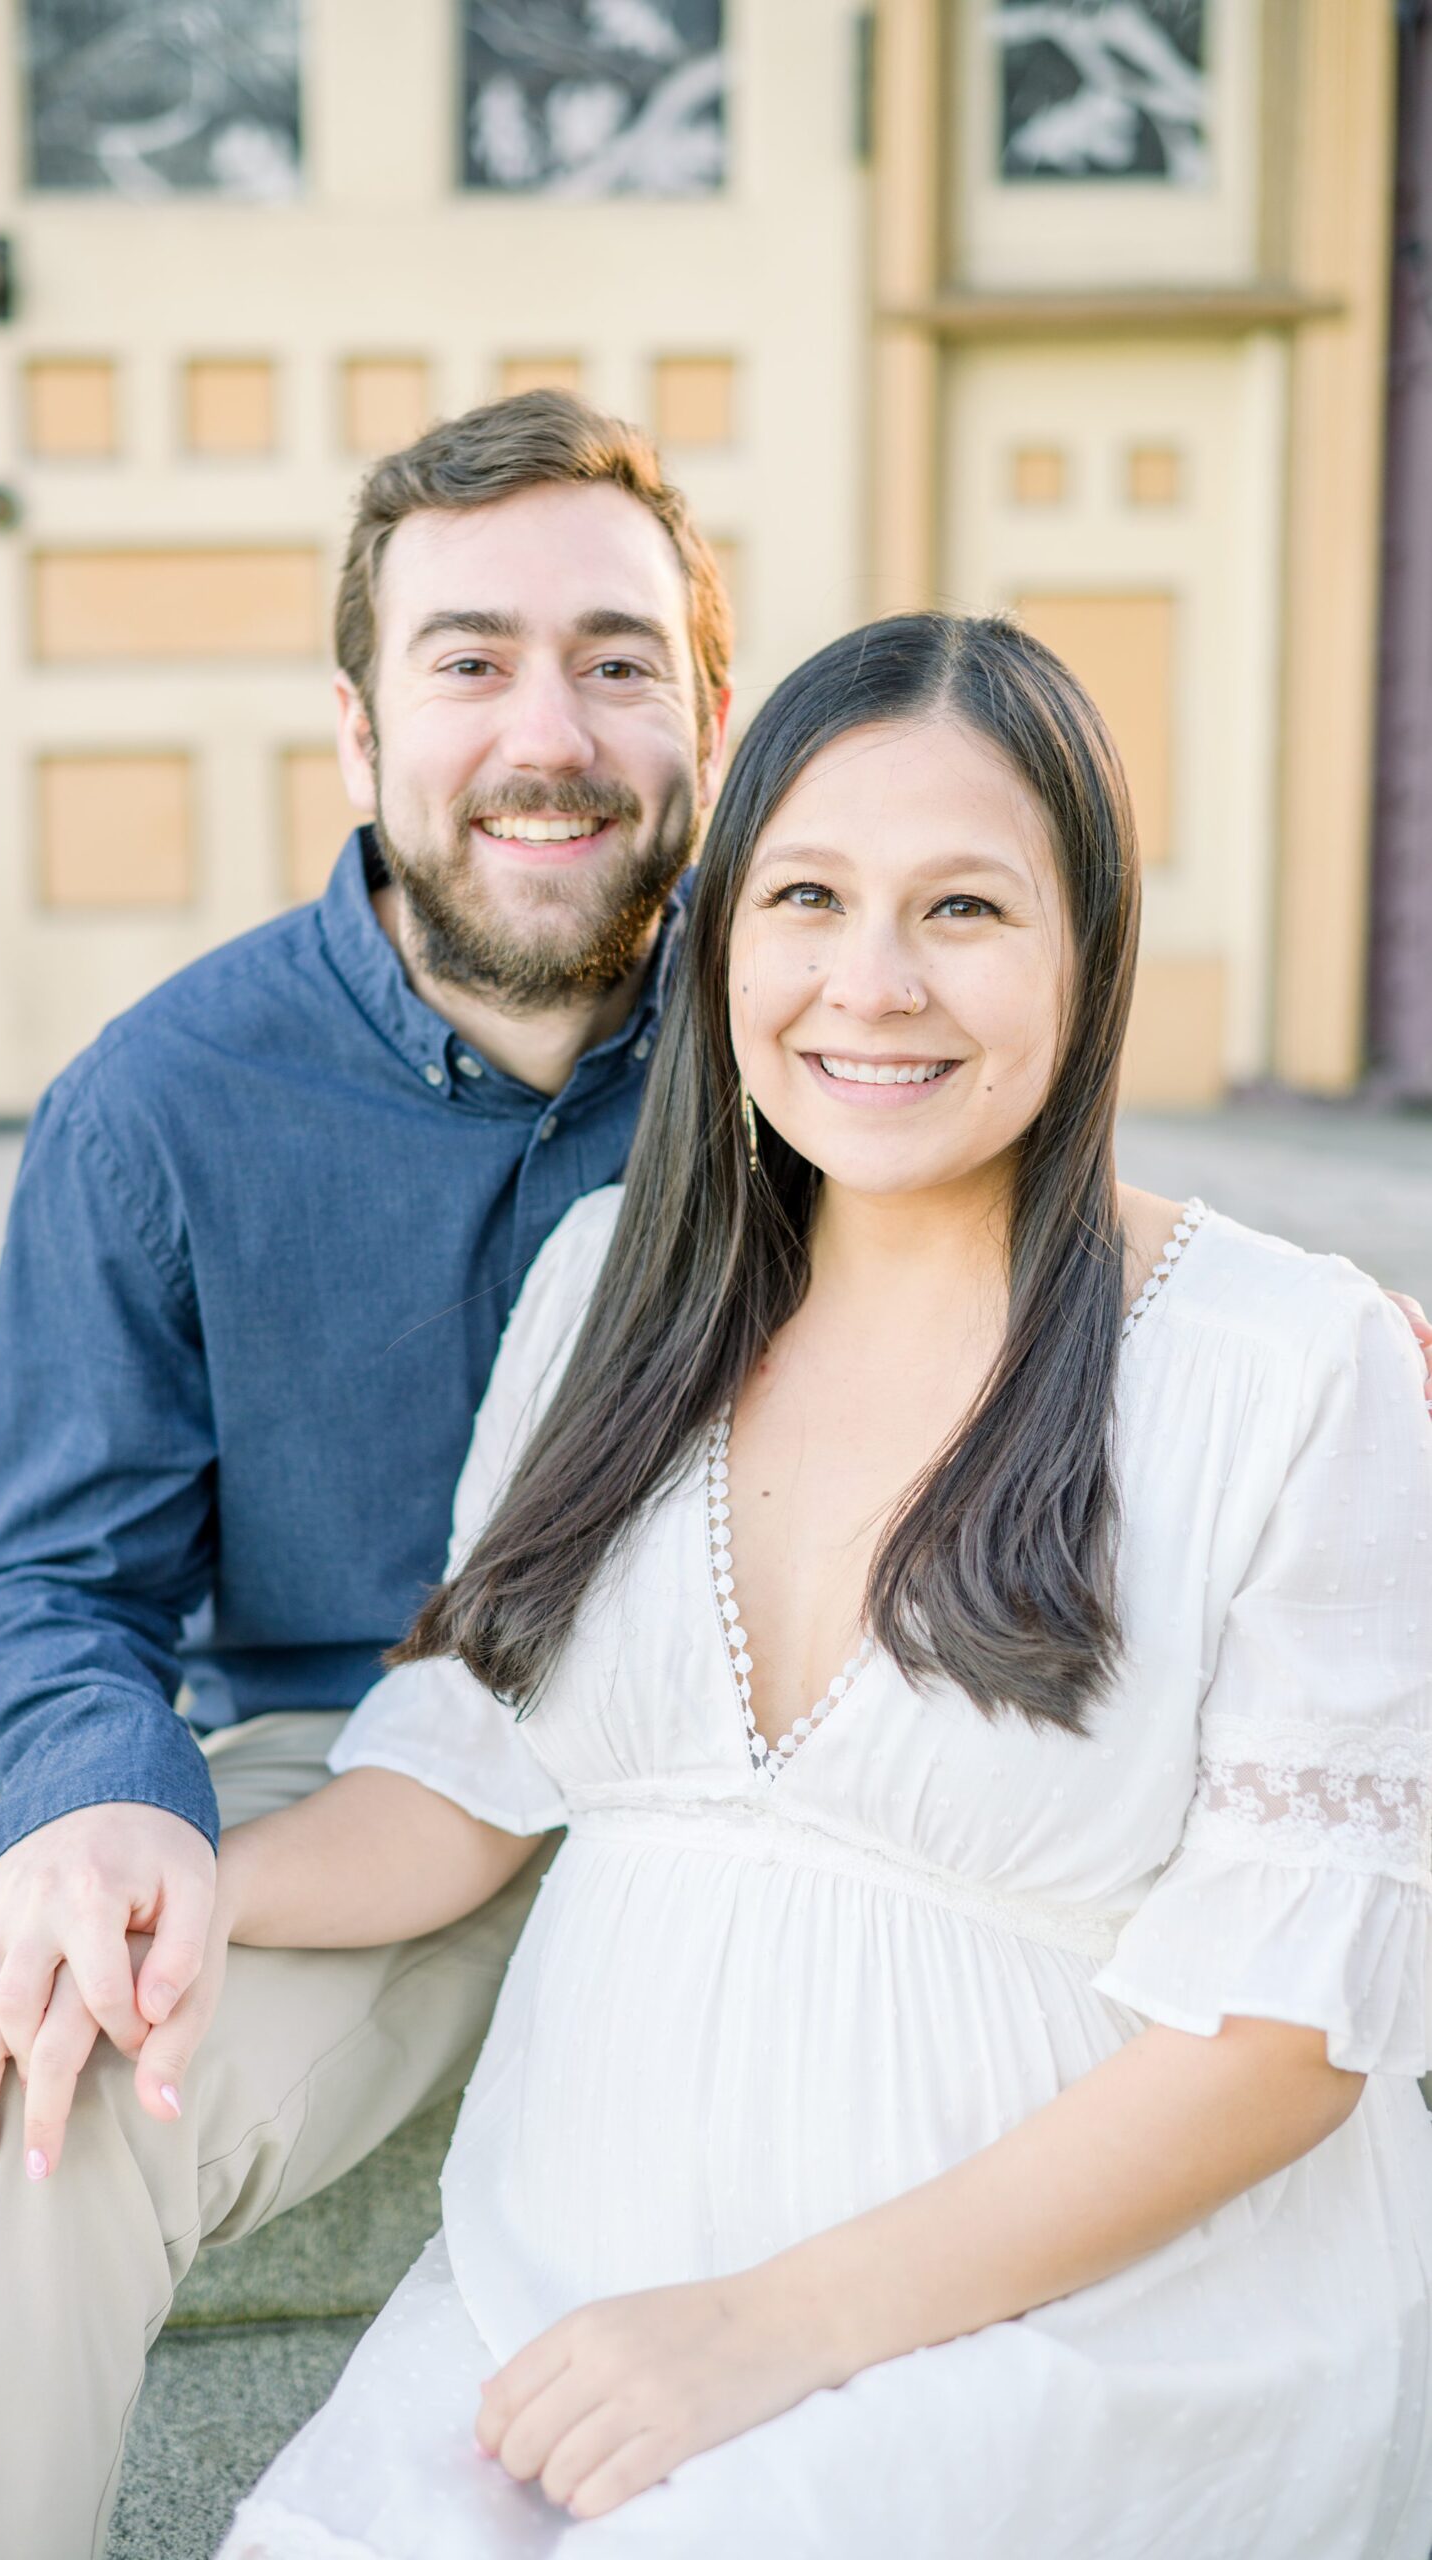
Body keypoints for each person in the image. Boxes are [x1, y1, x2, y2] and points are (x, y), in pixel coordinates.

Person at [0, 402, 1428, 2560]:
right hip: (475, 1943)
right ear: (360, 728)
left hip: (985, 2174)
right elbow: (219, 1665)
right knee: (45, 2061)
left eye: (616, 659)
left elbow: (1281, 2009)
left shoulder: (1168, 1288)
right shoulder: (254, 1140)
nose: (872, 978)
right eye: (470, 659)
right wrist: (111, 1840)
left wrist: (1304, 1353)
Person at [206, 612, 1432, 2557]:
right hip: (577, 2291)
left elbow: (1287, 2042)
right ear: (721, 939)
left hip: (1083, 2325)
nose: (871, 984)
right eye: (807, 895)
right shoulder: (612, 1282)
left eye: (963, 907)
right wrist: (146, 1878)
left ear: (1092, 951)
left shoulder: (1290, 1360)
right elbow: (456, 1774)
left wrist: (763, 2332)